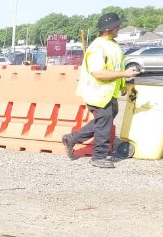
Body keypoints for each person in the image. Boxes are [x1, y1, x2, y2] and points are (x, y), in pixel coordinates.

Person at [62, 13, 139, 168]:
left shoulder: (112, 44)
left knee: (103, 122)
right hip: (98, 93)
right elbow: (98, 73)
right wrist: (125, 74)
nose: (119, 28)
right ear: (109, 29)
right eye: (117, 26)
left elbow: (115, 67)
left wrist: (122, 85)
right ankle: (98, 157)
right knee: (104, 124)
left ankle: (71, 139)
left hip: (108, 92)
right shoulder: (97, 48)